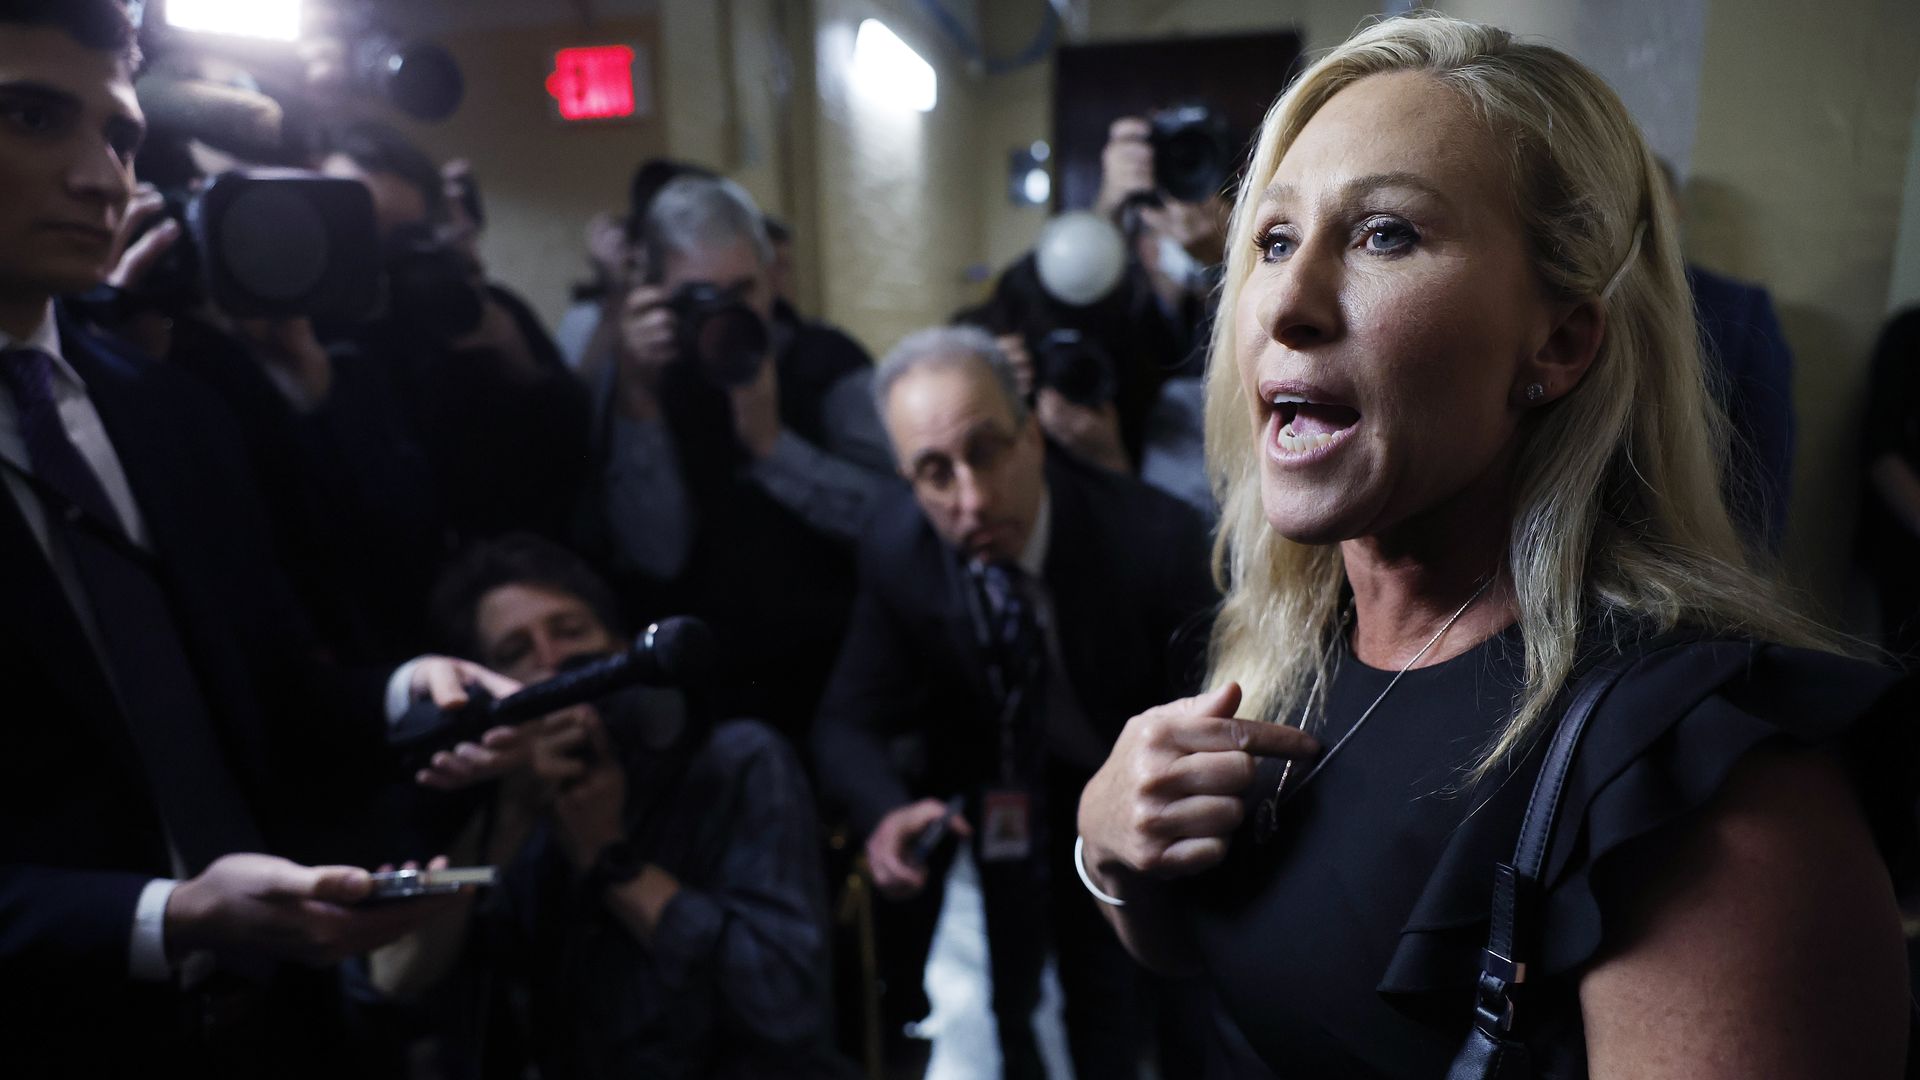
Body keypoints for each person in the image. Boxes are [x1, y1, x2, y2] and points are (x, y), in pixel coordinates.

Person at [1074, 13, 1914, 1079]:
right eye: (1274, 241)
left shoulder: (1712, 791)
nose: (1284, 302)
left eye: (1385, 234)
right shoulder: (1290, 645)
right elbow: (1228, 963)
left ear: (1559, 343)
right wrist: (1109, 851)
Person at [0, 2, 517, 1070]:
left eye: (121, 135)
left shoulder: (172, 412)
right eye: (34, 117)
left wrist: (403, 689)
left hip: (274, 1029)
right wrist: (166, 915)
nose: (102, 177)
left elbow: (272, 689)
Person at [812, 326, 1217, 1079]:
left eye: (987, 450)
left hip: (1136, 798)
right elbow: (845, 721)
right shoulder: (899, 549)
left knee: (1133, 1005)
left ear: (1032, 435)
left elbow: (1218, 723)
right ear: (906, 478)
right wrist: (883, 810)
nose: (970, 499)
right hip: (1002, 797)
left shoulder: (1151, 539)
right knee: (1011, 998)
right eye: (934, 472)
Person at [371, 534, 855, 1079]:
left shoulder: (735, 762)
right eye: (515, 653)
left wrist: (608, 857)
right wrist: (513, 814)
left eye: (570, 630)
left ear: (621, 645)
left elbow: (787, 1007)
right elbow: (400, 987)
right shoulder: (513, 815)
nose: (553, 659)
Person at [592, 174, 896, 738]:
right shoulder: (647, 377)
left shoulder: (831, 363)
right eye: (699, 298)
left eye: (743, 291)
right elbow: (654, 552)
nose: (724, 315)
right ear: (656, 290)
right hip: (708, 690)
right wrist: (637, 398)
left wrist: (772, 448)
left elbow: (894, 524)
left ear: (772, 276)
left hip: (838, 675)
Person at [319, 120, 593, 546]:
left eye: (404, 237)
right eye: (361, 226)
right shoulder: (308, 332)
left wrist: (522, 370)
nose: (379, 256)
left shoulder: (481, 311)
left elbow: (576, 459)